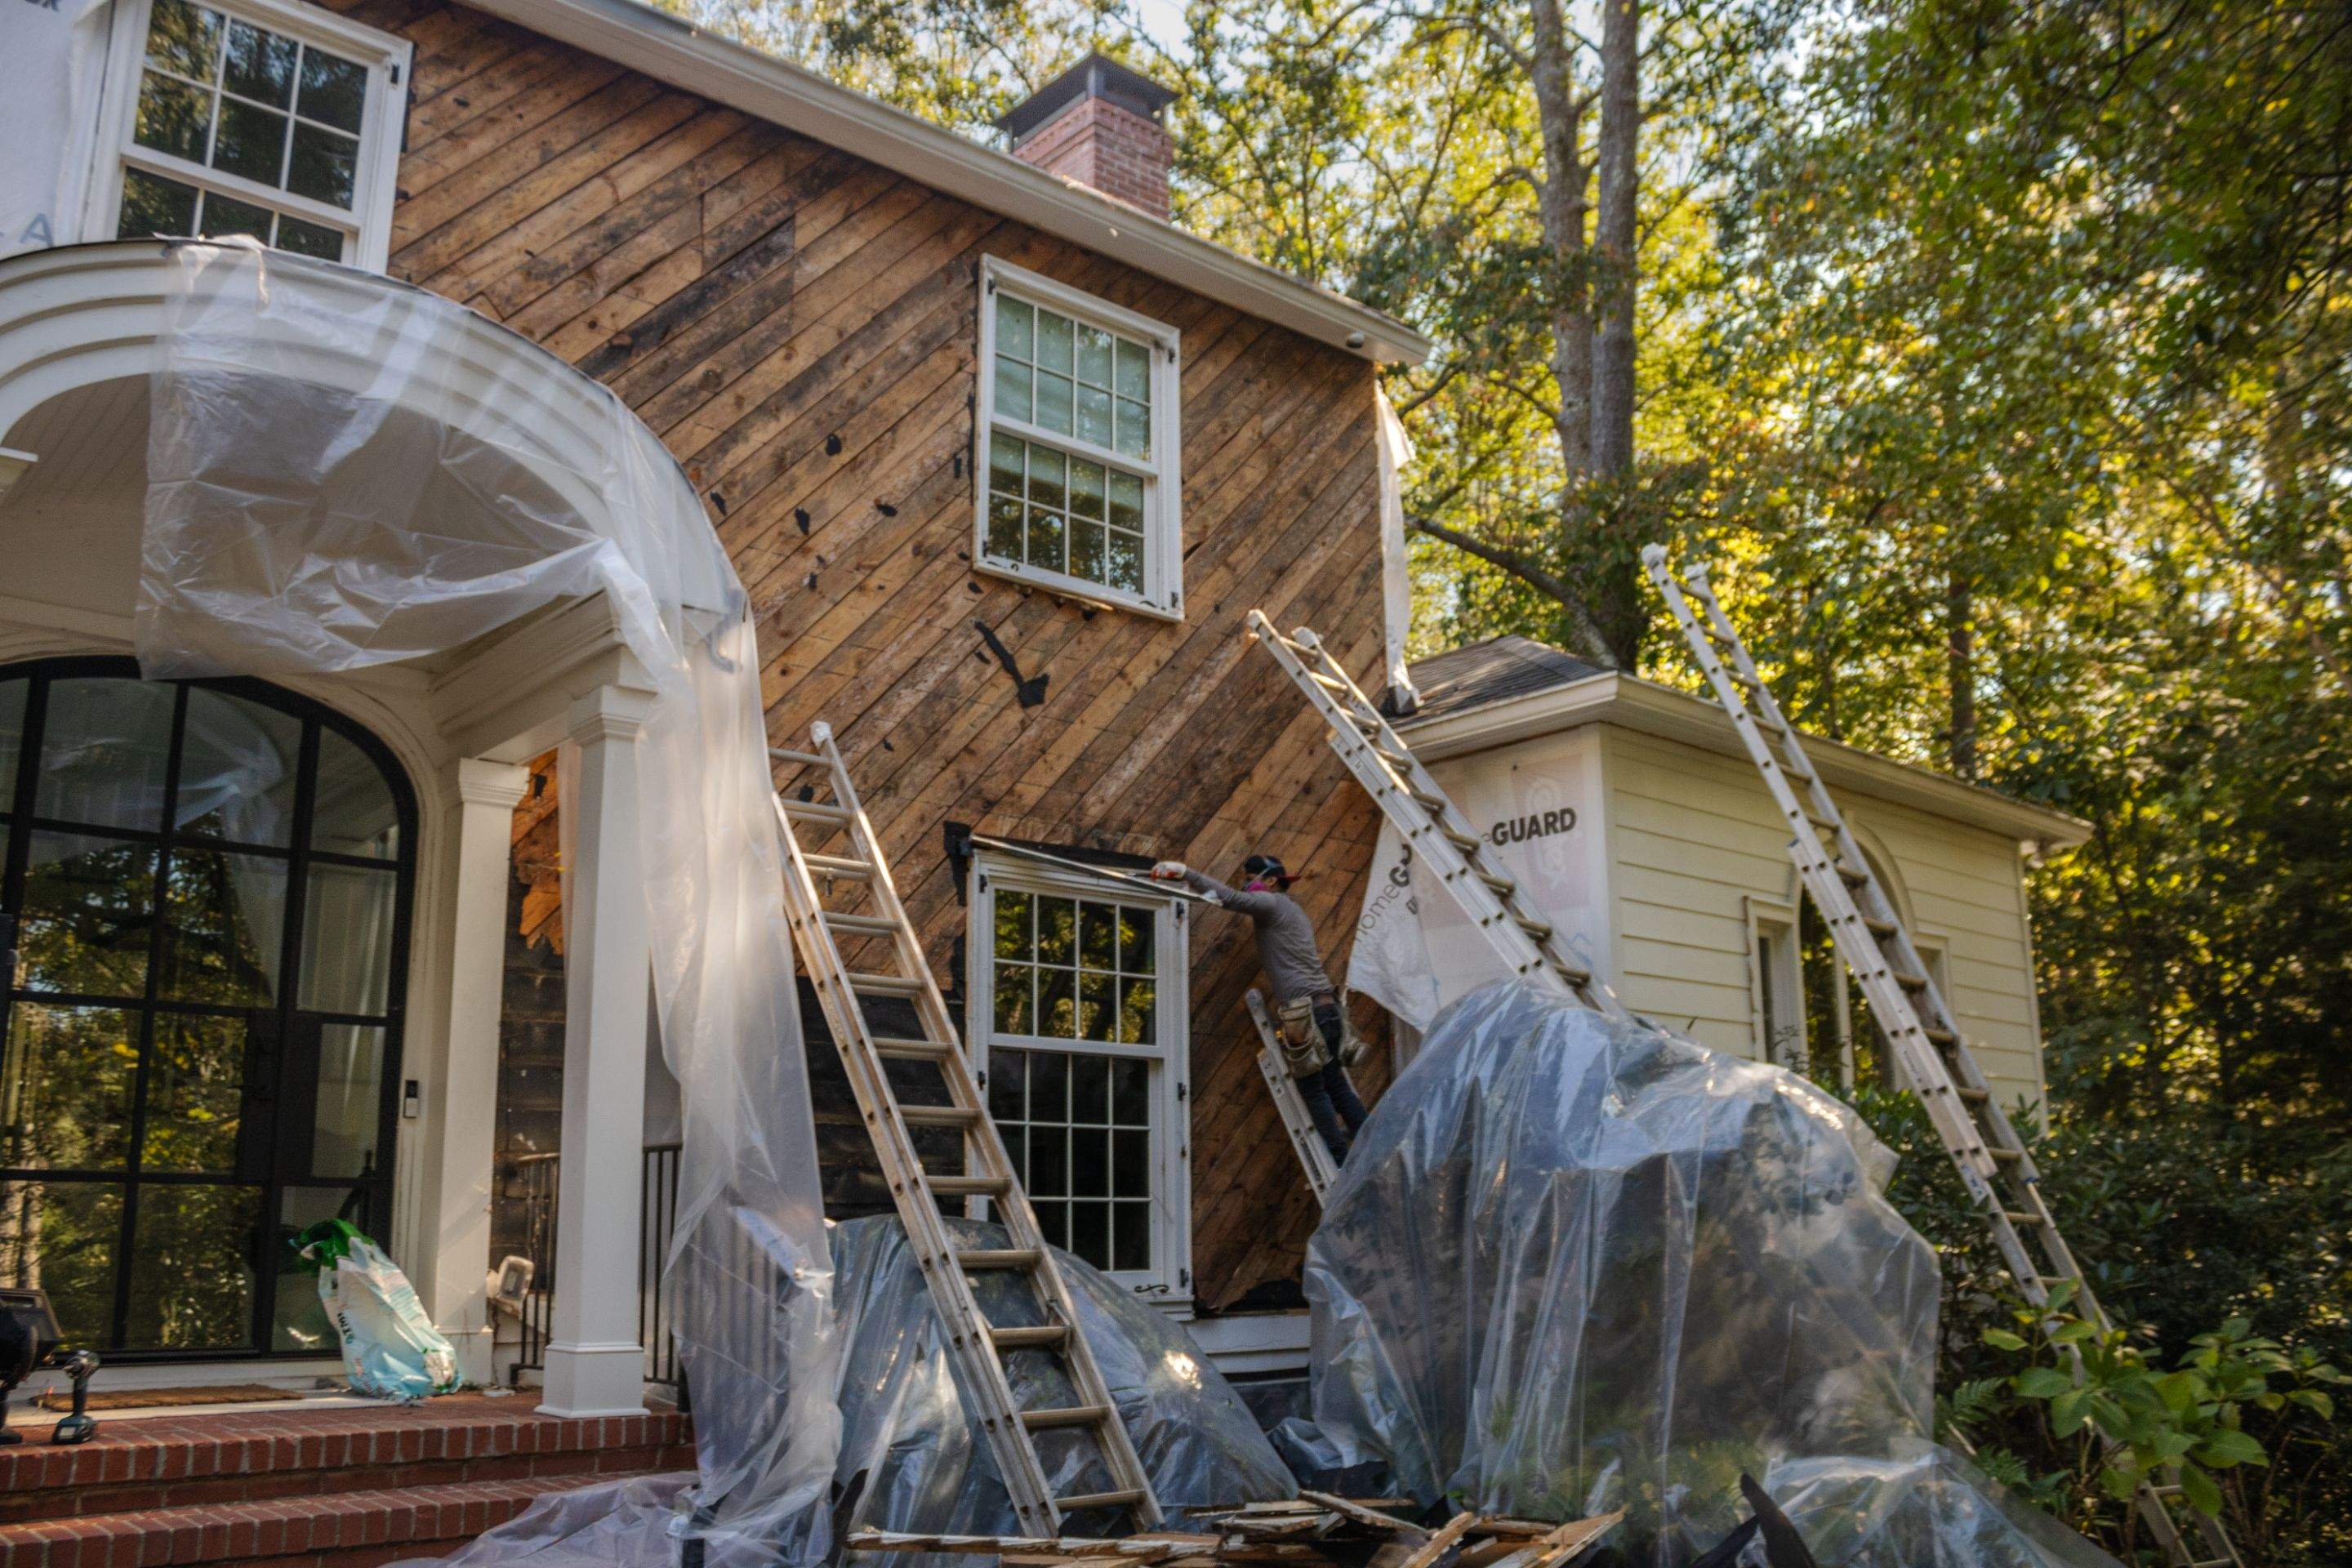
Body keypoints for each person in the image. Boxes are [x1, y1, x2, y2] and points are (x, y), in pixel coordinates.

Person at [1152, 853, 1370, 1162]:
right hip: (1327, 1009)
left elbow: (1230, 899)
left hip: (1307, 1014)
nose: (1245, 884)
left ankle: (1341, 1162)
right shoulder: (1292, 911)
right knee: (1335, 1084)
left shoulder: (1273, 904)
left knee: (1313, 1090)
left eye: (1250, 878)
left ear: (1270, 881)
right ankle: (1372, 1147)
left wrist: (1186, 873)